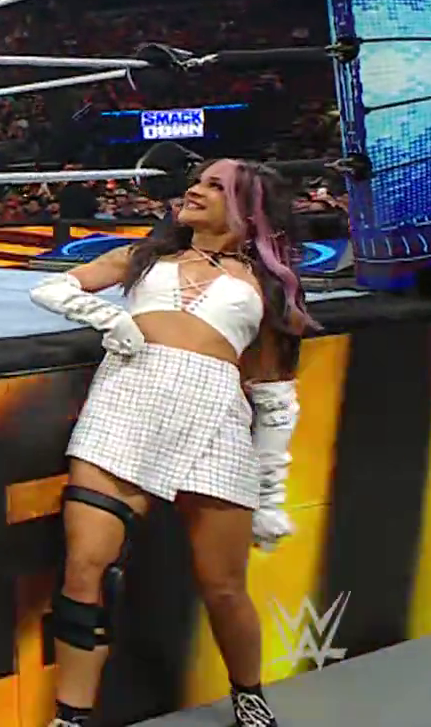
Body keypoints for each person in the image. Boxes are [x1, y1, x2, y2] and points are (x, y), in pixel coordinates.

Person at [27, 159, 315, 727]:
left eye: (215, 185)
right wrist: (106, 317)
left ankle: (249, 693)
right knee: (85, 568)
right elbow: (52, 286)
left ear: (247, 207)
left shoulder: (265, 286)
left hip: (216, 420)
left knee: (224, 587)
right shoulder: (145, 257)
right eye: (198, 180)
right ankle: (70, 718)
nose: (195, 189)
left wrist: (271, 495)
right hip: (124, 407)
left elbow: (275, 396)